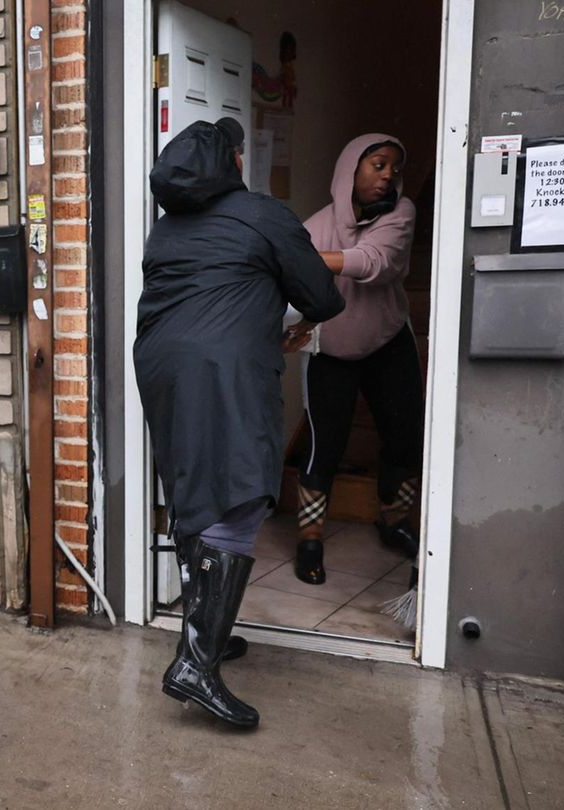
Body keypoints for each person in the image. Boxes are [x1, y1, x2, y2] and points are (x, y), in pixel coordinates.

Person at [136, 118, 345, 728]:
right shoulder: (263, 214)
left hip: (160, 364)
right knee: (239, 495)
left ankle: (209, 633)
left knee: (194, 485)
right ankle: (195, 664)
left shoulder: (166, 227)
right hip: (224, 370)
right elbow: (322, 297)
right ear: (231, 160)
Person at [293, 134, 422, 586]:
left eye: (395, 169)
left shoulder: (401, 214)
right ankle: (309, 536)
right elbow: (289, 287)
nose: (388, 176)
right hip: (332, 351)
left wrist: (298, 260)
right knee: (322, 445)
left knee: (405, 437)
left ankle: (394, 521)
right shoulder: (315, 226)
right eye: (379, 165)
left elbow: (375, 262)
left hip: (388, 343)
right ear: (351, 170)